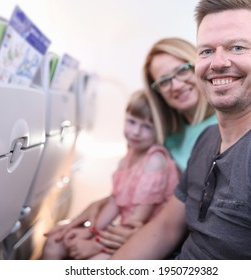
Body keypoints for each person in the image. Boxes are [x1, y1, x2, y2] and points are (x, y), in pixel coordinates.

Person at [110, 0, 251, 260]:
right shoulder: (207, 139)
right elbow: (164, 229)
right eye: (206, 51)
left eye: (237, 47)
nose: (217, 62)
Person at [41, 37, 218, 255]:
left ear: (197, 65)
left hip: (177, 231)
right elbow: (148, 189)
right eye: (164, 81)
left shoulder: (222, 125)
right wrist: (97, 206)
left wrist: (131, 235)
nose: (176, 85)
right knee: (56, 241)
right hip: (146, 222)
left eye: (182, 70)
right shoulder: (167, 133)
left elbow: (196, 208)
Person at [41, 90, 180, 259]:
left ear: (159, 130)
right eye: (131, 122)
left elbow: (136, 220)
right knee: (55, 242)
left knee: (96, 261)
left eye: (146, 127)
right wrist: (89, 231)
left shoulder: (155, 161)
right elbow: (114, 202)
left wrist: (94, 244)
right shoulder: (128, 157)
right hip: (121, 231)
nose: (135, 132)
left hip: (141, 236)